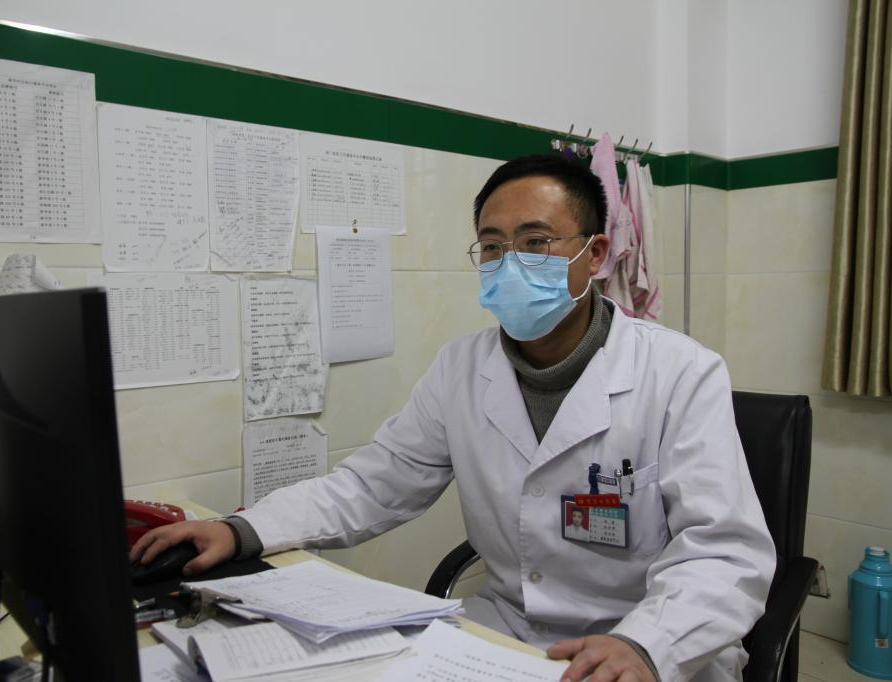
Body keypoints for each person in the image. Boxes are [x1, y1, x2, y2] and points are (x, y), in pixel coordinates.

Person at [131, 155, 776, 682]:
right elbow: (372, 485)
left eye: (536, 242)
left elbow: (725, 552)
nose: (509, 262)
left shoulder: (680, 373)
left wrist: (646, 645)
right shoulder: (461, 368)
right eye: (492, 246)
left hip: (649, 645)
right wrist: (243, 529)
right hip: (506, 633)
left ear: (596, 252)